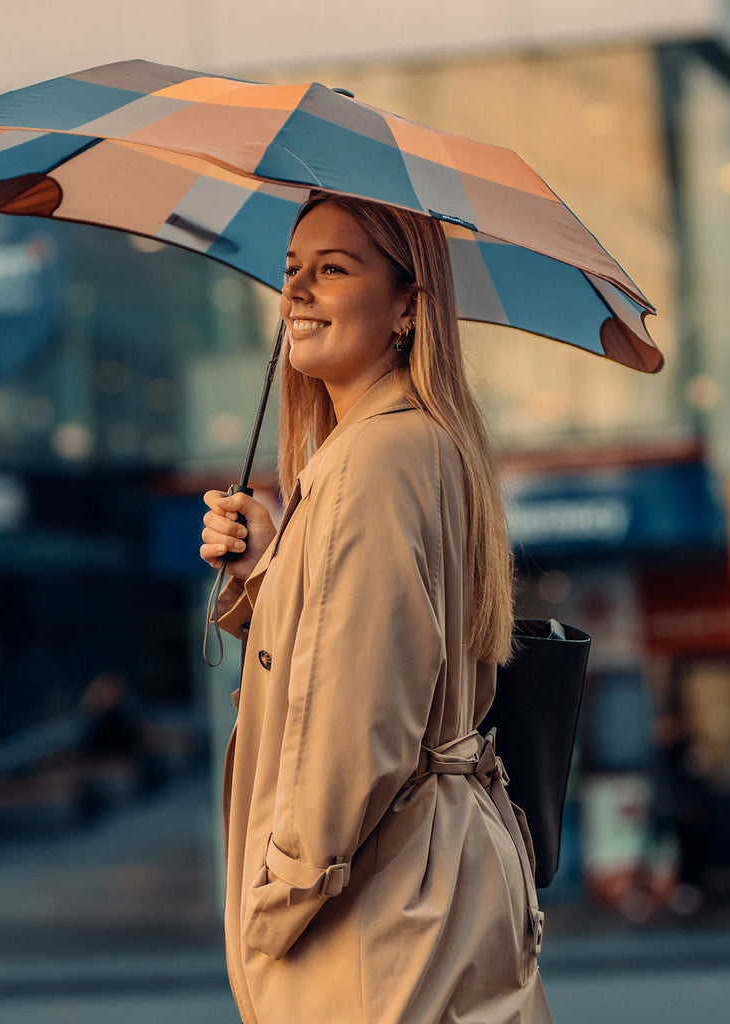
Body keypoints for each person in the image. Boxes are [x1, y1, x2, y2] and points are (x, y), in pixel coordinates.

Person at [199, 192, 551, 1023]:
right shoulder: (405, 443)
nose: (297, 294)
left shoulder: (376, 458)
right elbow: (364, 644)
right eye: (291, 273)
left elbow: (360, 717)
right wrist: (267, 568)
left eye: (332, 269)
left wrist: (280, 889)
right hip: (431, 883)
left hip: (379, 904)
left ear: (405, 307)